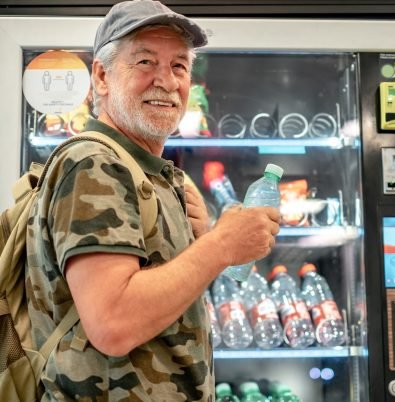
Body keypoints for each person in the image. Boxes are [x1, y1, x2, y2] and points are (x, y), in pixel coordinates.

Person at [26, 1, 281, 401]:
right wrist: (219, 246)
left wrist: (204, 241)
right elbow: (113, 323)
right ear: (102, 76)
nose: (166, 80)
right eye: (145, 61)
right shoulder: (94, 162)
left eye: (179, 66)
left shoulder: (148, 172)